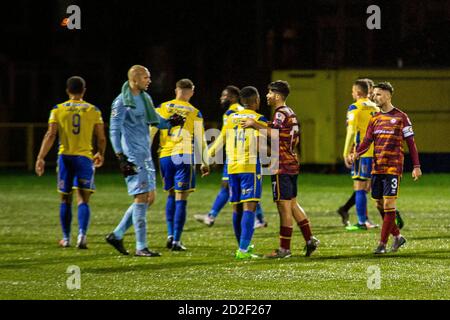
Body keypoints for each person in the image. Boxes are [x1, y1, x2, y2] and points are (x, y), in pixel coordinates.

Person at [242, 80, 319, 258]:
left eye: (269, 93)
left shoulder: (279, 113)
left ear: (277, 95)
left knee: (283, 207)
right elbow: (294, 139)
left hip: (281, 166)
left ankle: (284, 249)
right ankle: (310, 239)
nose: (267, 96)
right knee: (292, 204)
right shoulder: (290, 113)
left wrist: (254, 124)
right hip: (291, 162)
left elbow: (274, 133)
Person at [106, 65, 173, 257]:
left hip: (145, 155)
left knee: (149, 198)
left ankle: (117, 235)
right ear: (134, 80)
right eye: (146, 77)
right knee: (141, 198)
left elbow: (156, 120)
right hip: (133, 156)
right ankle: (141, 246)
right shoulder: (121, 102)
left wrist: (171, 122)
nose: (149, 80)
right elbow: (114, 130)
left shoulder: (145, 98)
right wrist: (120, 157)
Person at [35, 76, 106, 249]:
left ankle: (66, 238)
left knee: (65, 199)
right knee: (83, 199)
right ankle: (82, 235)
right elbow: (101, 137)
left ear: (67, 90)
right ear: (84, 90)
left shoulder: (57, 109)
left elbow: (50, 135)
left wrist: (41, 157)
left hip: (65, 157)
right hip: (84, 158)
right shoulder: (93, 110)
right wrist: (100, 153)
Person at [351, 82, 422, 254]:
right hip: (377, 167)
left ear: (389, 96)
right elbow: (367, 141)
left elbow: (411, 143)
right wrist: (357, 152)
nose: (375, 97)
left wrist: (416, 166)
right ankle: (397, 237)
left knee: (389, 203)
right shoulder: (374, 119)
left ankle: (382, 244)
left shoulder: (401, 117)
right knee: (379, 204)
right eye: (374, 94)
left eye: (379, 94)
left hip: (393, 167)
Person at [194, 86, 267, 228]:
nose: (221, 98)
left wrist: (206, 157)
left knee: (235, 191)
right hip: (243, 159)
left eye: (224, 95)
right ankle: (257, 219)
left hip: (236, 159)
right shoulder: (241, 112)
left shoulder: (231, 114)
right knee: (242, 190)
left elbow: (223, 138)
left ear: (234, 97)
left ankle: (214, 216)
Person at [209, 86, 268, 260]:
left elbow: (219, 141)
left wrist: (206, 160)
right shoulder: (259, 118)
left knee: (236, 208)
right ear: (256, 101)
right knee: (249, 207)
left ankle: (242, 247)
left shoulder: (231, 118)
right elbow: (272, 136)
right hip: (249, 168)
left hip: (232, 168)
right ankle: (243, 250)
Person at [151, 79, 210, 251]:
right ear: (192, 91)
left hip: (165, 155)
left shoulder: (162, 107)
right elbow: (201, 140)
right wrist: (205, 162)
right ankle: (176, 240)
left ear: (176, 90)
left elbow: (151, 131)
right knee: (181, 198)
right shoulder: (195, 112)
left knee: (170, 195)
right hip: (183, 155)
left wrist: (145, 154)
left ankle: (170, 235)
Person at [341, 79, 380, 231]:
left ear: (357, 93)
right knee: (366, 187)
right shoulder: (376, 107)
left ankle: (362, 222)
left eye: (352, 91)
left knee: (359, 186)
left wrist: (346, 152)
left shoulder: (354, 107)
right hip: (375, 152)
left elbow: (351, 131)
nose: (351, 94)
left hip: (361, 153)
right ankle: (367, 220)